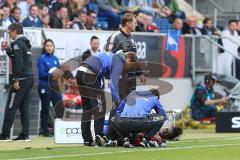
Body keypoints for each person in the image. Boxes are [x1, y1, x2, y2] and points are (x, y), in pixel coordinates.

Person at [76, 50, 138, 146]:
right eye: (131, 66)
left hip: (80, 72)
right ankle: (99, 137)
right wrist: (117, 100)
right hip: (90, 73)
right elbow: (113, 84)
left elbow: (106, 76)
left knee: (87, 108)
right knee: (101, 106)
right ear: (128, 61)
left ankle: (87, 140)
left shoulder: (114, 57)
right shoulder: (120, 60)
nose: (128, 69)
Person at [0, 23, 34, 141]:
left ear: (15, 31)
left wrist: (16, 80)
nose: (9, 35)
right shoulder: (25, 43)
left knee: (11, 106)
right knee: (24, 108)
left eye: (10, 33)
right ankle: (25, 135)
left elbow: (18, 64)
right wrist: (8, 50)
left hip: (22, 79)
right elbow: (18, 58)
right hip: (29, 78)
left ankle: (4, 135)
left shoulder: (17, 43)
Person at [105, 13, 146, 100]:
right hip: (120, 78)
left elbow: (133, 58)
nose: (136, 24)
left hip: (131, 79)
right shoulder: (115, 37)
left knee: (130, 105)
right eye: (135, 22)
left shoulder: (132, 37)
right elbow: (108, 57)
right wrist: (109, 78)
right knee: (118, 106)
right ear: (128, 24)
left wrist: (140, 73)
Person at [37, 39, 64, 137]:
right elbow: (41, 74)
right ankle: (44, 130)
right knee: (45, 108)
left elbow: (60, 72)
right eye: (47, 46)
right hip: (44, 86)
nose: (49, 47)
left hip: (55, 86)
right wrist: (51, 74)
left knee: (60, 106)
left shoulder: (55, 59)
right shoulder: (41, 58)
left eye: (51, 45)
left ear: (53, 47)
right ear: (44, 47)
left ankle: (61, 129)